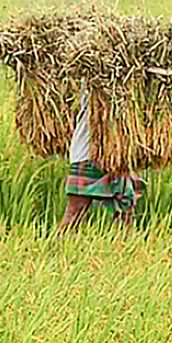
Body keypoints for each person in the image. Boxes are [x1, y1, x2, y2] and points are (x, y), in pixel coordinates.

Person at [58, 80, 145, 232]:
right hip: (86, 153)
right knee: (76, 208)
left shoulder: (128, 78)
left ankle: (125, 249)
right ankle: (57, 248)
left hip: (117, 156)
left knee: (125, 209)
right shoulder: (92, 75)